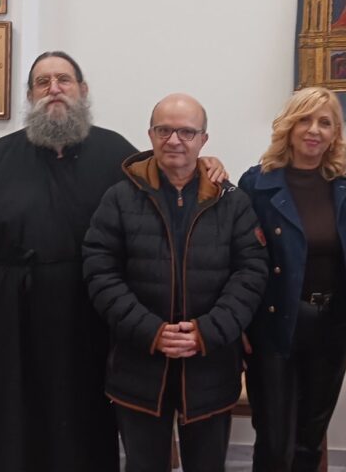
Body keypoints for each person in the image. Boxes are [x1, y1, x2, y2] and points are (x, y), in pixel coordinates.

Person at [0, 55, 228, 472]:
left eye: (64, 79)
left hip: (90, 316)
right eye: (43, 82)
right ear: (30, 95)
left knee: (85, 422)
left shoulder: (117, 155)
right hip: (10, 318)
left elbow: (174, 175)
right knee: (9, 421)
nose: (54, 89)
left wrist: (207, 165)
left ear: (83, 90)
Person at [82, 94, 269, 472]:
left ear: (203, 139)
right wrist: (151, 331)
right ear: (150, 135)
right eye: (164, 130)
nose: (174, 140)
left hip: (210, 365)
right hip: (138, 364)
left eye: (186, 132)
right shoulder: (119, 198)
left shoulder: (232, 202)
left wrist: (206, 332)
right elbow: (100, 271)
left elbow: (251, 273)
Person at [239, 87, 346, 472]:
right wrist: (240, 323)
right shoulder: (258, 183)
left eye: (325, 122)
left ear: (335, 133)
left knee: (310, 440)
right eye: (305, 119)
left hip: (333, 324)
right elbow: (241, 260)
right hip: (275, 324)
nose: (314, 130)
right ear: (289, 126)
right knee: (275, 440)